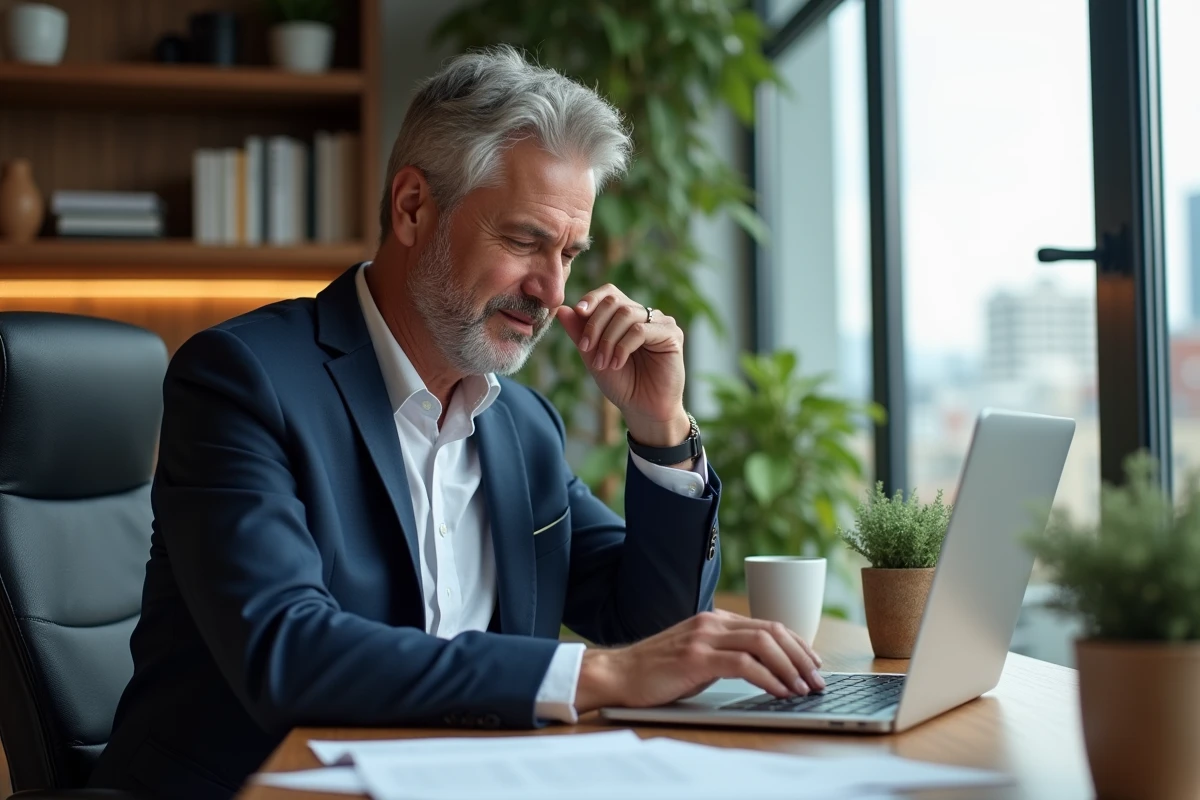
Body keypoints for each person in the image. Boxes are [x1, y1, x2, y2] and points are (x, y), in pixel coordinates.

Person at [89, 46, 824, 800]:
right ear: (413, 207)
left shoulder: (524, 427)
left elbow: (650, 632)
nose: (551, 290)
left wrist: (659, 424)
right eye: (525, 241)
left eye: (569, 253)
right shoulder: (243, 380)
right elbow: (289, 652)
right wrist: (598, 675)